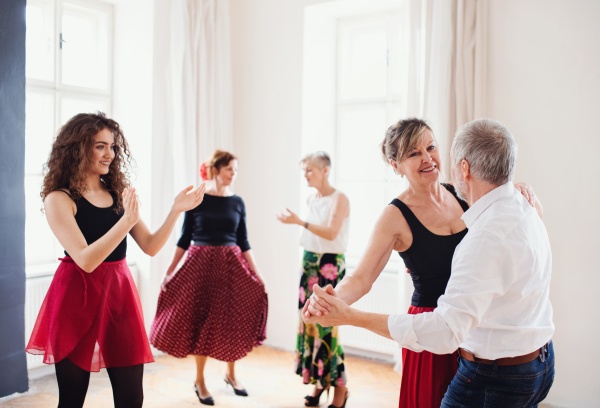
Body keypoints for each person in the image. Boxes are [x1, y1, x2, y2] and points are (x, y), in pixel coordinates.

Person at [304, 118, 554, 408]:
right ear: (395, 165)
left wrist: (518, 190)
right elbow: (361, 278)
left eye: (431, 147)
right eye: (414, 153)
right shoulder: (394, 216)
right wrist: (330, 300)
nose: (428, 158)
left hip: (474, 333)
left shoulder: (463, 194)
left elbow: (508, 227)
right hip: (429, 332)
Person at [26, 112, 205, 408]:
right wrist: (125, 222)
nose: (109, 153)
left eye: (112, 146)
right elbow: (85, 260)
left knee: (132, 397)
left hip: (118, 295)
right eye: (100, 146)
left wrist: (176, 210)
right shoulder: (58, 199)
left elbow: (149, 246)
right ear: (77, 148)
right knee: (71, 399)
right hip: (75, 297)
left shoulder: (117, 194)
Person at [150, 150, 268, 406]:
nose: (234, 175)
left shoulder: (238, 202)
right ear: (216, 170)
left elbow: (243, 241)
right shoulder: (197, 200)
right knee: (201, 321)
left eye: (236, 170)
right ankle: (200, 381)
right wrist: (169, 271)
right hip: (200, 266)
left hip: (232, 267)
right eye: (230, 169)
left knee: (232, 321)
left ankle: (231, 375)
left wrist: (257, 274)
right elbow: (183, 238)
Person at [276, 151, 350, 408]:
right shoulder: (312, 198)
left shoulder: (339, 198)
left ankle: (340, 388)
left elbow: (331, 233)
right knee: (310, 324)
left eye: (309, 170)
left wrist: (299, 221)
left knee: (328, 325)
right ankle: (320, 384)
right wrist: (300, 221)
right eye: (304, 170)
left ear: (325, 170)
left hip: (329, 265)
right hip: (309, 264)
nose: (305, 175)